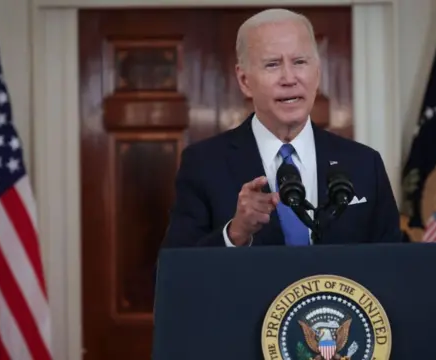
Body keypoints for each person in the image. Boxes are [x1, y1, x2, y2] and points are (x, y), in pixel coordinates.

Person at [161, 8, 401, 248]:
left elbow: (393, 270)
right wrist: (235, 234)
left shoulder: (364, 164)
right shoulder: (204, 165)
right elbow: (175, 275)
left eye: (299, 62)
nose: (289, 78)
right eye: (273, 65)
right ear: (245, 81)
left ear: (317, 74)